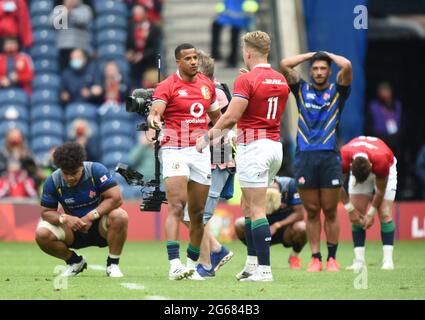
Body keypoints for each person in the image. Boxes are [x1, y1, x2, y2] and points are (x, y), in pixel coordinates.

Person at [197, 30, 290, 282]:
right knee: (247, 206)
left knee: (257, 209)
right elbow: (261, 108)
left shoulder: (246, 81)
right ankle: (251, 265)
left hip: (255, 147)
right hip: (274, 146)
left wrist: (207, 137)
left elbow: (230, 116)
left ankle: (265, 270)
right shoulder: (280, 79)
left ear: (247, 53)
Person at [147, 43, 221, 280]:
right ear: (178, 62)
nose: (193, 61)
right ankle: (174, 264)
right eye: (187, 58)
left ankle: (192, 265)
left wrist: (216, 135)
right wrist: (154, 120)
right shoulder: (166, 86)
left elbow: (218, 120)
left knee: (197, 214)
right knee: (177, 206)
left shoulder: (207, 85)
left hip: (199, 152)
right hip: (174, 149)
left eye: (195, 57)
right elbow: (156, 111)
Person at [280, 51, 352, 272]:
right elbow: (284, 64)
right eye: (315, 68)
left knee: (330, 210)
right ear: (310, 71)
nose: (319, 72)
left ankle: (332, 258)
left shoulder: (338, 91)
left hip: (329, 156)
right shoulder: (301, 89)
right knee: (311, 211)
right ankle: (315, 258)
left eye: (323, 68)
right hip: (305, 157)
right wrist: (312, 55)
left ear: (330, 72)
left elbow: (347, 64)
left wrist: (327, 55)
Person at [35, 142, 128, 277]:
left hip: (100, 226)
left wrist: (91, 216)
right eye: (66, 173)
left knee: (120, 216)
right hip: (74, 230)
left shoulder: (96, 170)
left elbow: (116, 198)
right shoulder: (53, 181)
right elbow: (46, 213)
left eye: (74, 173)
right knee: (42, 233)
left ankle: (112, 264)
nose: (70, 177)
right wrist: (65, 218)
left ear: (82, 165)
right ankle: (74, 262)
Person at [181, 50, 235, 278]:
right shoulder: (205, 92)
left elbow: (223, 126)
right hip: (206, 159)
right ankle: (216, 250)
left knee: (196, 217)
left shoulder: (217, 93)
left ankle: (206, 265)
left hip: (218, 159)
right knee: (190, 215)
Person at [340, 136, 397, 271]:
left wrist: (371, 213)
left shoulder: (381, 161)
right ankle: (359, 261)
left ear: (371, 167)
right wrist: (349, 209)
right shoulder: (343, 156)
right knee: (357, 215)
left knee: (384, 213)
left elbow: (380, 190)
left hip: (386, 166)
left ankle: (388, 260)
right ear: (350, 166)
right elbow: (336, 184)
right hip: (362, 164)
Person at [235, 176, 306, 270]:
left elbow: (300, 214)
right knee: (240, 224)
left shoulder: (291, 185)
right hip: (260, 226)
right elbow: (246, 210)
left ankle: (294, 256)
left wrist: (277, 225)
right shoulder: (256, 186)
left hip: (285, 229)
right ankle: (255, 256)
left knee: (302, 227)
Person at [211, 0, 259, 68]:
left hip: (241, 12)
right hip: (232, 11)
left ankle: (232, 59)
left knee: (235, 32)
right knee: (217, 26)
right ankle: (218, 55)